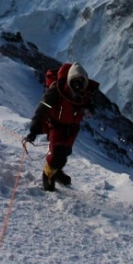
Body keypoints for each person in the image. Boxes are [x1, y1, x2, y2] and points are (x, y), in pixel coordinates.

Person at [24, 62, 98, 191]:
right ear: (70, 78)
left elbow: (90, 106)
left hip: (72, 128)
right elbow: (43, 108)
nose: (78, 84)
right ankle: (47, 175)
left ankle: (56, 171)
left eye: (81, 81)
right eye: (75, 80)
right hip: (56, 126)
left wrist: (88, 109)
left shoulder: (85, 94)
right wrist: (34, 129)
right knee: (56, 153)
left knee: (64, 153)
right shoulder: (57, 90)